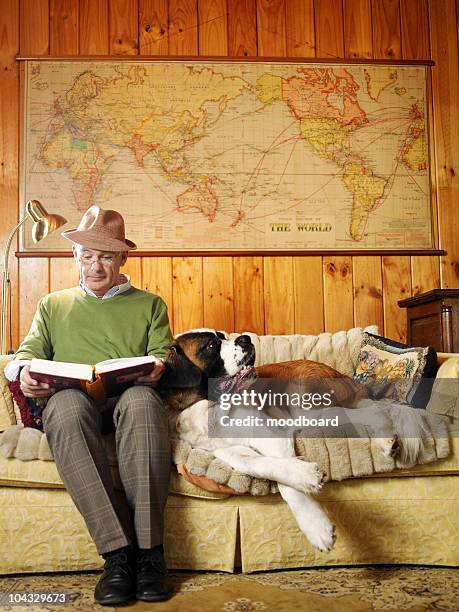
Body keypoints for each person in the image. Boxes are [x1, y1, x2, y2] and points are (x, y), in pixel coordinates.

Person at [4, 206, 174, 605]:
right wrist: (25, 372)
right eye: (88, 256)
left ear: (122, 259)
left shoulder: (149, 304)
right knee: (63, 406)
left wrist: (159, 368)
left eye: (107, 256)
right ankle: (118, 557)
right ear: (76, 257)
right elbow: (24, 355)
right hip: (74, 406)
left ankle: (150, 555)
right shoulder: (53, 305)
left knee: (142, 400)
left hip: (127, 405)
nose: (96, 266)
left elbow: (162, 353)